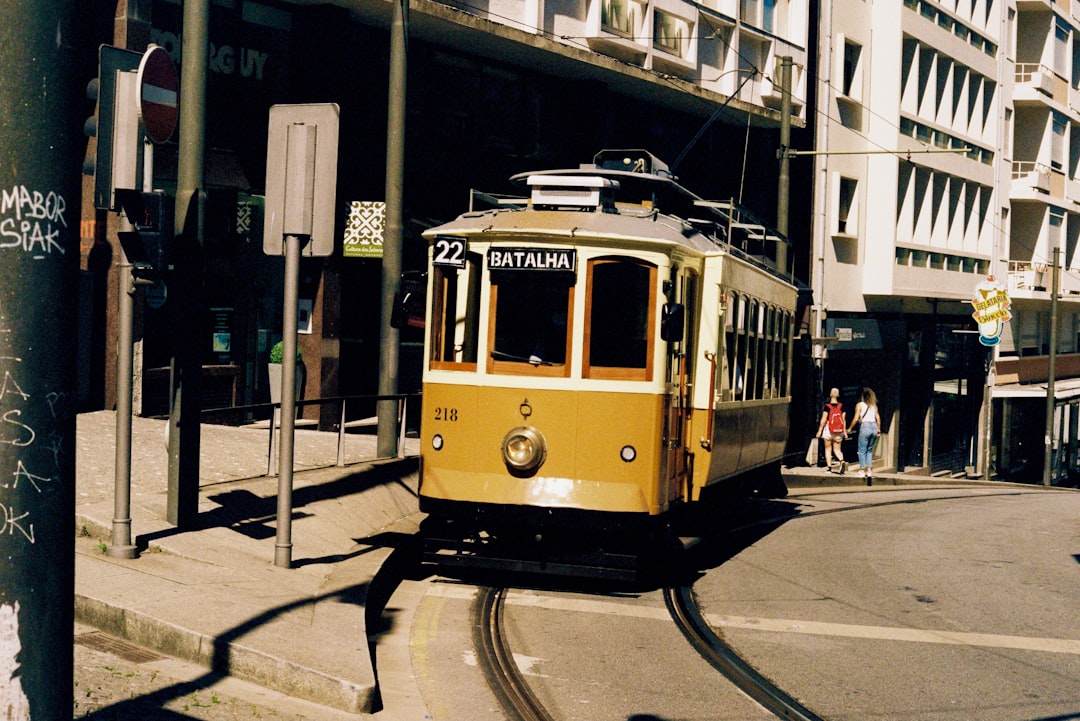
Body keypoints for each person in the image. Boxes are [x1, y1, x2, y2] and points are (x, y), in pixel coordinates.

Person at [848, 387, 880, 483]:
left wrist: (850, 428)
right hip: (874, 426)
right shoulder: (874, 406)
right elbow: (878, 417)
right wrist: (878, 429)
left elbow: (855, 418)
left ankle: (862, 470)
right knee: (869, 450)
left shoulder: (860, 405)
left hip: (865, 426)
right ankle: (869, 470)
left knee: (862, 450)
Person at [815, 387, 847, 473]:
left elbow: (824, 419)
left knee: (828, 449)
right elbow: (843, 420)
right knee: (837, 450)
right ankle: (841, 460)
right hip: (839, 431)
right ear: (838, 395)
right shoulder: (842, 406)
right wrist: (845, 432)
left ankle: (829, 468)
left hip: (828, 430)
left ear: (830, 395)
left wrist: (819, 431)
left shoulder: (827, 407)